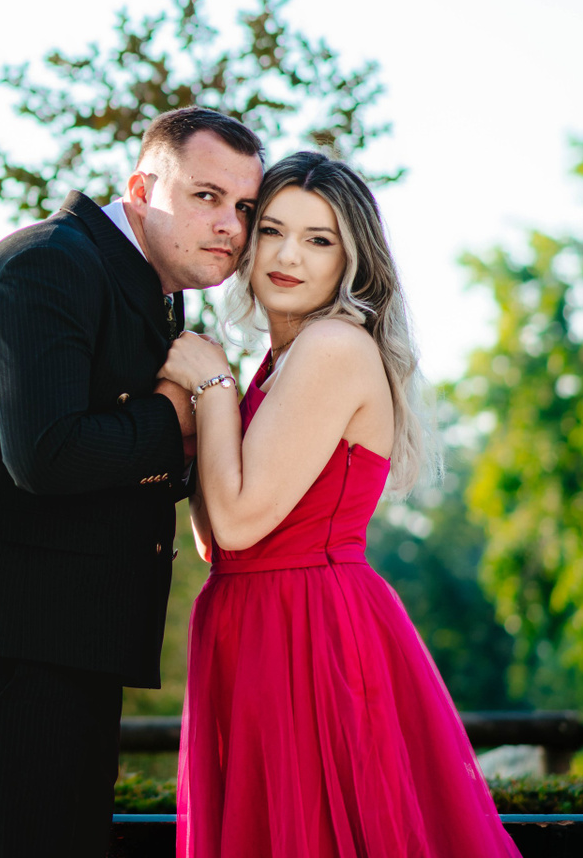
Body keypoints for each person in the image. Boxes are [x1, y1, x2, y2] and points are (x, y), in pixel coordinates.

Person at [0, 107, 265, 856]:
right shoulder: (46, 264)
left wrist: (198, 428)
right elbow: (46, 454)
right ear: (141, 189)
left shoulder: (154, 290)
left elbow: (123, 462)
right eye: (206, 196)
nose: (231, 225)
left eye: (245, 207)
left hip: (64, 643)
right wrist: (175, 411)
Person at [163, 152, 519, 858]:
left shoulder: (332, 346)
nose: (287, 255)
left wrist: (212, 389)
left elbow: (234, 521)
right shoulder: (276, 362)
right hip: (249, 621)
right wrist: (214, 400)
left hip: (310, 630)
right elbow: (217, 540)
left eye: (318, 240)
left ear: (350, 262)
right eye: (271, 230)